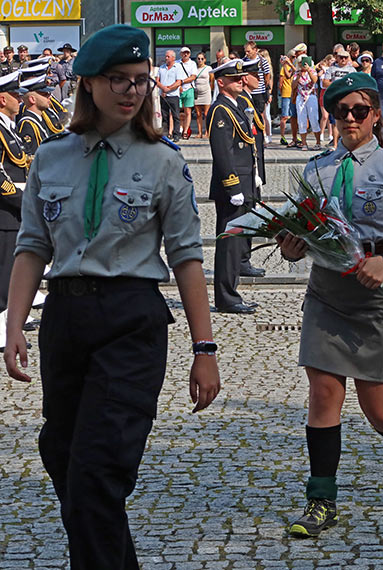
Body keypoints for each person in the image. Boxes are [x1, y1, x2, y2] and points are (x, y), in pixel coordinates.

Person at [2, 24, 221, 568]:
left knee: (98, 473)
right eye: (117, 80)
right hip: (66, 318)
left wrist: (205, 348)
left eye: (141, 81)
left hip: (132, 319)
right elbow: (31, 246)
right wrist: (13, 325)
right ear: (88, 85)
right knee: (64, 457)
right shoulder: (51, 156)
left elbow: (187, 257)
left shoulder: (162, 160)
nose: (131, 91)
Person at [277, 72, 383, 537]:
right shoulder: (316, 168)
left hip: (377, 297)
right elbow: (301, 231)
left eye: (359, 110)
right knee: (323, 394)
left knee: (380, 410)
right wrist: (291, 244)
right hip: (327, 293)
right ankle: (321, 499)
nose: (349, 118)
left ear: (376, 115)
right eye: (340, 110)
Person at [207, 59, 257, 314]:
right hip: (233, 189)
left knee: (237, 243)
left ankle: (233, 294)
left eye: (241, 78)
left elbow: (248, 146)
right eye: (235, 78)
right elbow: (223, 153)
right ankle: (226, 298)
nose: (241, 80)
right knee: (228, 245)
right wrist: (232, 186)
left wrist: (254, 177)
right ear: (221, 82)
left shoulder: (235, 106)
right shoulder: (220, 110)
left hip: (245, 183)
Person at [0, 71, 27, 352]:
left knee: (10, 271)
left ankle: (8, 325)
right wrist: (21, 199)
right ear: (2, 98)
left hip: (14, 209)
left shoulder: (9, 126)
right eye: (15, 95)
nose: (19, 99)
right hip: (5, 210)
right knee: (3, 271)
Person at [238, 58, 267, 279]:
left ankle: (243, 260)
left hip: (253, 170)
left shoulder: (248, 99)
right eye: (255, 76)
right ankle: (241, 261)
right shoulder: (241, 101)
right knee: (245, 217)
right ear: (245, 78)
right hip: (245, 171)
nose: (259, 79)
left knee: (251, 215)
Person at [323, 48, 356, 149]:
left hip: (348, 99)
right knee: (336, 121)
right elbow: (324, 83)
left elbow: (355, 83)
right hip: (336, 98)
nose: (343, 60)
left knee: (349, 120)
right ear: (337, 58)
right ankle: (335, 144)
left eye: (345, 58)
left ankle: (349, 143)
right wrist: (338, 84)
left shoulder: (351, 70)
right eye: (341, 57)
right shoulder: (332, 69)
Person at [17, 75, 52, 155]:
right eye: (44, 94)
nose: (49, 97)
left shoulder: (39, 119)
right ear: (32, 99)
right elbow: (32, 156)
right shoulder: (27, 124)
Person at [292, 56, 321, 150]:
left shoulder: (312, 71)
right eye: (300, 63)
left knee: (314, 119)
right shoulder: (297, 73)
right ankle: (304, 143)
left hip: (311, 97)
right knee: (301, 120)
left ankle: (318, 142)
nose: (302, 65)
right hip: (300, 97)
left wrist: (308, 70)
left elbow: (314, 80)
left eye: (304, 62)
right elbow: (293, 86)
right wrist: (299, 76)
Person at [156, 49, 184, 141]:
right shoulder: (162, 67)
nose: (166, 58)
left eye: (168, 56)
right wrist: (163, 88)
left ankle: (176, 134)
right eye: (166, 56)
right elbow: (157, 80)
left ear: (173, 58)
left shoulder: (178, 67)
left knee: (176, 116)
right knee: (164, 116)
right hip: (163, 95)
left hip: (173, 95)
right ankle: (166, 133)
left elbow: (178, 82)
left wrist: (168, 88)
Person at [243, 41, 271, 115]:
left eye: (248, 51)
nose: (246, 53)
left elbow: (267, 77)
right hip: (247, 93)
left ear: (255, 50)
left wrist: (267, 91)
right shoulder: (243, 62)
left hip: (259, 93)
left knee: (260, 115)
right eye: (245, 51)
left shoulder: (262, 61)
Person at [178, 47, 197, 140]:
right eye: (184, 53)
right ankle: (180, 129)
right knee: (179, 111)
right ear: (181, 54)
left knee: (188, 111)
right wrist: (178, 85)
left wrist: (182, 82)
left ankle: (186, 131)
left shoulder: (192, 64)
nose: (185, 54)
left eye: (187, 53)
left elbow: (193, 77)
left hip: (189, 88)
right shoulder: (177, 63)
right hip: (178, 90)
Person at [193, 52, 213, 138]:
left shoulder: (208, 68)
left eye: (202, 58)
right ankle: (199, 132)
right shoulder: (194, 69)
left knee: (206, 113)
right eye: (198, 58)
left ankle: (207, 132)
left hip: (206, 91)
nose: (200, 60)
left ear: (205, 59)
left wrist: (211, 89)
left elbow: (212, 79)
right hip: (197, 92)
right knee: (198, 114)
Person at [279, 50, 295, 145]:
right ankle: (282, 136)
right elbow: (286, 77)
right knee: (285, 116)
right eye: (292, 57)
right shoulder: (284, 68)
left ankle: (295, 135)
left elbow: (295, 70)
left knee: (293, 116)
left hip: (293, 93)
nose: (294, 58)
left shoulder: (294, 66)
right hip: (286, 93)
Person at [259, 48, 274, 145]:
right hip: (260, 92)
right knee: (263, 115)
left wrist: (269, 94)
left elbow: (270, 83)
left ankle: (267, 134)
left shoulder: (267, 68)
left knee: (266, 116)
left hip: (265, 93)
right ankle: (265, 134)